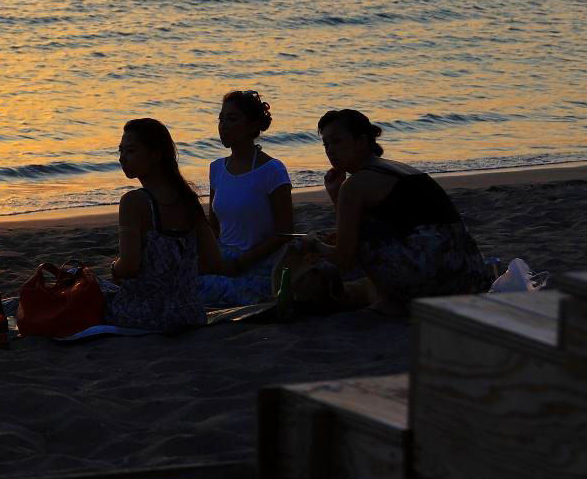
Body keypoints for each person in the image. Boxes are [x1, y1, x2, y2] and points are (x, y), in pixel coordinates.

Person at [302, 108, 490, 314]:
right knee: (364, 230)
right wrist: (336, 192)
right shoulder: (395, 168)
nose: (330, 150)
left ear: (362, 141)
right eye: (326, 144)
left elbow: (345, 258)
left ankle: (390, 302)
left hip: (433, 284)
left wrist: (314, 244)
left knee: (360, 235)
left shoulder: (355, 185)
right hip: (469, 275)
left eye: (337, 141)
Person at [98, 117, 227, 332]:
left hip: (146, 314)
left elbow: (128, 268)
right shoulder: (188, 199)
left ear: (156, 154)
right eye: (120, 151)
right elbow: (214, 263)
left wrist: (114, 267)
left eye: (130, 151)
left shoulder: (134, 202)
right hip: (189, 312)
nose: (122, 158)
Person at [198, 90, 294, 307]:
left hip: (258, 265)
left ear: (253, 126)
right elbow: (214, 226)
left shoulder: (272, 170)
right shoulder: (217, 169)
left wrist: (240, 263)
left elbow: (284, 233)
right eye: (221, 119)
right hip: (224, 258)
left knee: (196, 288)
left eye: (232, 119)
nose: (223, 126)